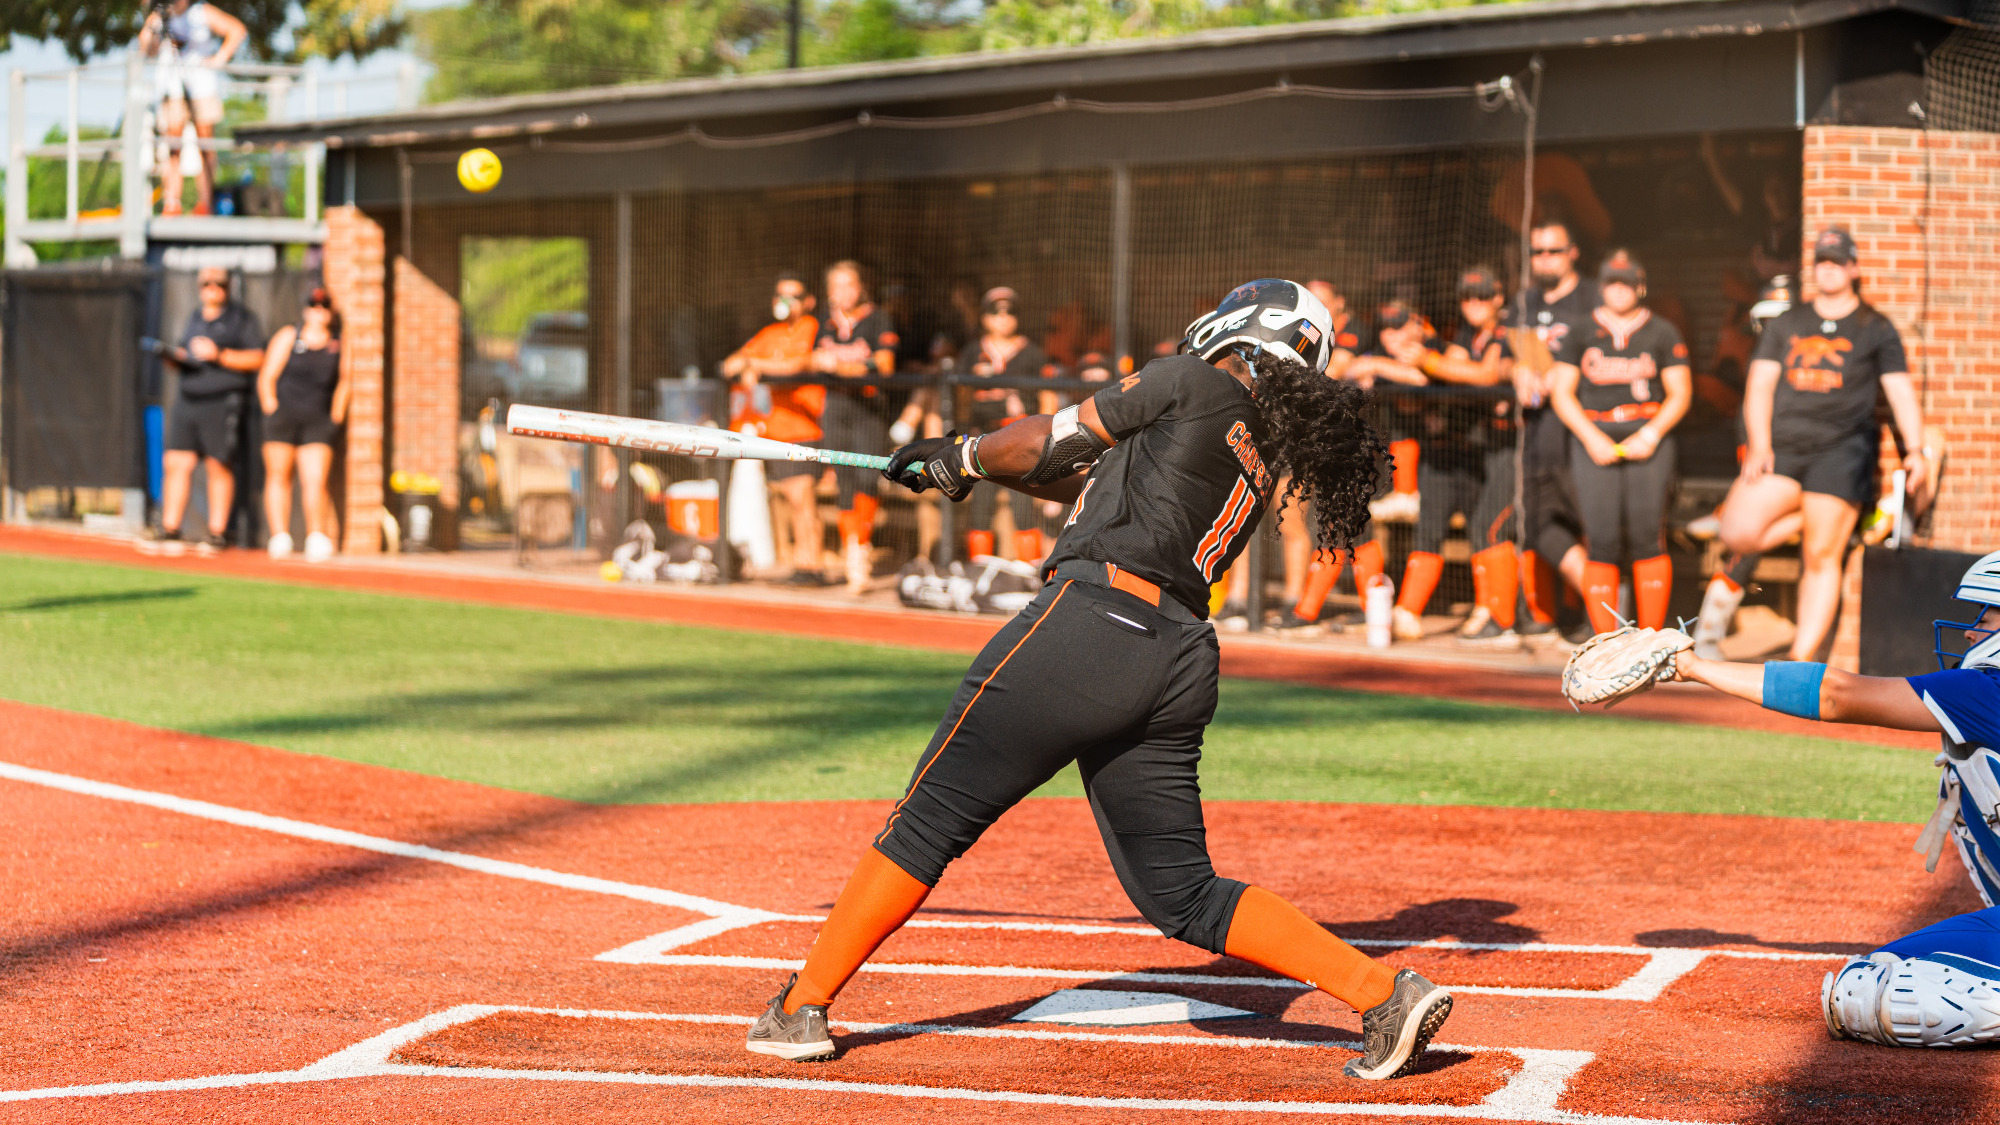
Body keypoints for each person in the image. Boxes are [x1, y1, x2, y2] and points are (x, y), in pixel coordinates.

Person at [744, 280, 1454, 1081]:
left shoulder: (1189, 379)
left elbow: (1050, 437)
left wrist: (967, 453)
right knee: (1182, 894)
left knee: (928, 818)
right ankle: (1383, 991)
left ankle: (800, 1006)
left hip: (1090, 627)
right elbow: (1078, 478)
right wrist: (963, 466)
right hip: (1180, 653)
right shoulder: (1253, 442)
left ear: (1242, 326)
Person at [1660, 550, 2000, 1047]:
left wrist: (1693, 668)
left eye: (1987, 619)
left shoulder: (1987, 691)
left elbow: (1836, 693)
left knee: (1885, 994)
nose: (1971, 632)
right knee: (1876, 974)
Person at [1713, 227, 1929, 663]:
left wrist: (1917, 449)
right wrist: (1758, 443)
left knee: (1821, 555)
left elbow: (1900, 392)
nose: (1827, 268)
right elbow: (1759, 387)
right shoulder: (1789, 322)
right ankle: (1814, 519)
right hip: (1785, 449)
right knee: (1735, 529)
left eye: (1836, 260)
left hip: (1842, 452)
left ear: (1854, 267)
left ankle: (1801, 657)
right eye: (1821, 261)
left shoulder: (1876, 327)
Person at [1549, 251, 1692, 635]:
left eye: (1626, 282)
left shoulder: (1662, 331)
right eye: (1612, 282)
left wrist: (1651, 434)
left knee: (1648, 536)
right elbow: (1561, 392)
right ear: (1601, 286)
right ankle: (1606, 639)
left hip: (1647, 435)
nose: (1619, 290)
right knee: (1602, 539)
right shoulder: (1579, 330)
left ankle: (1649, 640)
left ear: (1640, 286)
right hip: (1594, 434)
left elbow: (1680, 393)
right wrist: (1590, 437)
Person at [1406, 267, 1522, 646]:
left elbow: (1487, 374)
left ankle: (1503, 621)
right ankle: (1491, 611)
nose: (1475, 303)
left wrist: (1429, 360)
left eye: (1483, 296)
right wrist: (1429, 355)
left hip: (1519, 447)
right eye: (1468, 297)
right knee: (1481, 527)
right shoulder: (1471, 333)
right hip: (1486, 447)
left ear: (1499, 297)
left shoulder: (1510, 328)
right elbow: (1458, 364)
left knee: (1489, 526)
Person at [1512, 218, 1599, 642]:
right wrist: (1519, 371)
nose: (1544, 260)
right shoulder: (1524, 301)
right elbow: (1519, 353)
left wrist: (1563, 376)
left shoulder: (1594, 297)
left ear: (1573, 252)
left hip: (1582, 434)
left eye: (1553, 251)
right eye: (1537, 252)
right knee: (1538, 525)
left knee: (1591, 525)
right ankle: (1598, 608)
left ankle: (1600, 616)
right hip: (1536, 435)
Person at [141, 266, 267, 555]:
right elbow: (186, 353)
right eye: (207, 284)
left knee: (218, 464)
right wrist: (173, 358)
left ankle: (218, 534)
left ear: (227, 287)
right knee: (176, 463)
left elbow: (258, 357)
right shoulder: (195, 317)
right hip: (188, 400)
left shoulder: (241, 319)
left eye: (219, 284)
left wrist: (219, 354)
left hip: (222, 401)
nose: (213, 289)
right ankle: (170, 529)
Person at [724, 273, 825, 585]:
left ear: (808, 301)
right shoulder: (770, 332)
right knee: (786, 498)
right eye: (781, 296)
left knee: (801, 497)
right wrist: (751, 360)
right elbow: (730, 365)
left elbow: (796, 365)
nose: (786, 303)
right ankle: (798, 562)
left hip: (804, 427)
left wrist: (756, 365)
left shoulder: (813, 328)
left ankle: (812, 565)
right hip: (773, 430)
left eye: (793, 296)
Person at [810, 261, 898, 594]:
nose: (842, 293)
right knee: (844, 478)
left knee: (867, 477)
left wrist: (845, 367)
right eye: (836, 286)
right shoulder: (825, 323)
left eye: (849, 285)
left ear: (861, 287)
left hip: (869, 409)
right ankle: (853, 553)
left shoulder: (877, 318)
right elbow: (812, 358)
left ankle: (861, 544)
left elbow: (885, 364)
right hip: (837, 408)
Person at [956, 287, 1055, 560]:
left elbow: (1047, 395)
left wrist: (1048, 435)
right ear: (985, 318)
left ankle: (1027, 569)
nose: (1003, 319)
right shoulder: (973, 351)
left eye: (1010, 314)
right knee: (981, 505)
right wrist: (961, 430)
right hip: (983, 437)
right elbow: (961, 395)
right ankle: (979, 566)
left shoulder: (1032, 353)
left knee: (1023, 504)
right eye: (995, 314)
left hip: (1021, 438)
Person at [256, 288, 345, 562]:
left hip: (317, 420)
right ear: (306, 309)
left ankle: (316, 536)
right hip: (284, 417)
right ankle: (280, 536)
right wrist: (272, 408)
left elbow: (345, 381)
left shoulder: (338, 343)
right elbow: (267, 376)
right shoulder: (288, 336)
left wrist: (335, 417)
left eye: (324, 306)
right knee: (279, 475)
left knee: (316, 480)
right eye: (314, 306)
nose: (319, 311)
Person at [138, 1, 247, 217]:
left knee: (205, 146)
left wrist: (220, 58)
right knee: (173, 146)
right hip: (172, 89)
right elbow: (146, 51)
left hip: (202, 88)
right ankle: (172, 204)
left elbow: (237, 30)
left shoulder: (203, 12)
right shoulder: (161, 16)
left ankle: (205, 204)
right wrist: (151, 23)